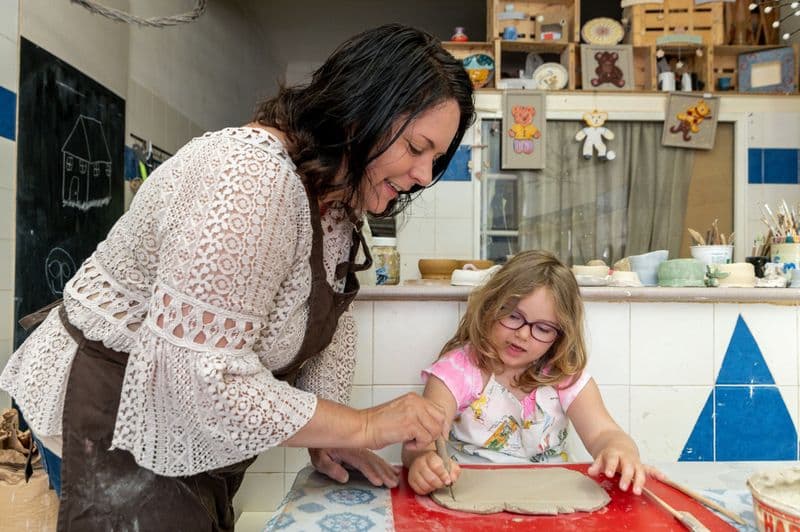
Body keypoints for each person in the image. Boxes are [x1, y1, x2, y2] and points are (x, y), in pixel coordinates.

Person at [0, 24, 474, 530]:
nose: (425, 175)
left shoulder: (335, 199)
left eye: (436, 159)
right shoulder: (250, 177)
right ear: (362, 116)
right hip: (116, 412)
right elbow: (201, 380)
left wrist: (331, 432)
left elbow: (329, 323)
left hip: (189, 424)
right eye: (418, 148)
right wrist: (364, 424)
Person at [402, 250, 660, 496]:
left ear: (560, 336)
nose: (523, 334)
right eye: (514, 316)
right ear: (491, 306)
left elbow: (605, 433)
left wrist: (619, 451)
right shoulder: (456, 371)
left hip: (552, 497)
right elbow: (422, 440)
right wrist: (423, 461)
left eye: (544, 328)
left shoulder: (564, 377)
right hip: (467, 496)